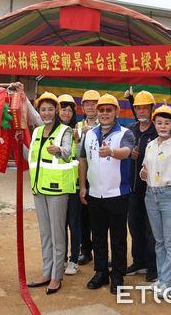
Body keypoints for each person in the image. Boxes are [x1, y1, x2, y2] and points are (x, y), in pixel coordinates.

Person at [79, 94, 134, 294]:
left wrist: (111, 152)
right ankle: (101, 272)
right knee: (99, 236)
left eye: (108, 110)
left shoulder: (125, 133)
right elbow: (83, 160)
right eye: (101, 110)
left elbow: (127, 152)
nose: (104, 113)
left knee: (118, 238)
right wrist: (83, 186)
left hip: (117, 194)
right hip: (94, 194)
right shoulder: (89, 133)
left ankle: (117, 275)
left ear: (116, 112)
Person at [26, 92, 75, 295]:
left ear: (56, 111)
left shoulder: (65, 131)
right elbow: (31, 157)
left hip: (57, 190)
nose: (46, 113)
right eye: (43, 109)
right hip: (39, 189)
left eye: (50, 109)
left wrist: (59, 151)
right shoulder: (37, 132)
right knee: (45, 233)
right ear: (39, 111)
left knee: (57, 234)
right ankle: (46, 272)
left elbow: (68, 152)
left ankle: (56, 276)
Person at [140, 105, 171, 298]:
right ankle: (161, 279)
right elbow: (145, 170)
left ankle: (168, 282)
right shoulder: (150, 145)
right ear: (154, 124)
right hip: (151, 194)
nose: (163, 126)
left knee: (170, 241)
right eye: (159, 122)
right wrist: (143, 174)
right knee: (158, 241)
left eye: (167, 123)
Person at [126, 91, 158, 282]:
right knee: (135, 226)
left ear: (151, 109)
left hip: (152, 188)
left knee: (152, 228)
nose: (141, 110)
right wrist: (130, 154)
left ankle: (152, 265)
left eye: (145, 107)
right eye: (138, 107)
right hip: (133, 188)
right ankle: (138, 261)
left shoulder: (158, 130)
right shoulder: (130, 130)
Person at [76, 89, 101, 267]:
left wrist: (92, 130)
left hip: (100, 177)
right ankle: (86, 250)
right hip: (81, 176)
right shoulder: (76, 126)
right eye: (87, 103)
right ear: (83, 107)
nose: (91, 106)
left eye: (94, 103)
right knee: (83, 217)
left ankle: (101, 252)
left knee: (100, 219)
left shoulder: (106, 124)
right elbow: (76, 152)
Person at [57, 94, 80, 276]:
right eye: (63, 108)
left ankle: (74, 260)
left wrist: (78, 139)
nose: (66, 112)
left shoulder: (77, 130)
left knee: (74, 222)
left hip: (74, 184)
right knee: (61, 224)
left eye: (69, 109)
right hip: (58, 184)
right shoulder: (54, 131)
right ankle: (62, 258)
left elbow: (82, 156)